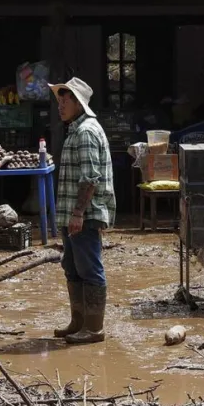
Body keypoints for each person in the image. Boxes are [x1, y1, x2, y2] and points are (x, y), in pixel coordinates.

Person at [48, 77, 116, 345]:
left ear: (79, 103)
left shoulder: (86, 131)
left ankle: (94, 328)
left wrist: (77, 213)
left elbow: (90, 178)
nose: (60, 105)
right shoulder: (75, 130)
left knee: (89, 268)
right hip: (73, 213)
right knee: (72, 266)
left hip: (85, 214)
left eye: (66, 100)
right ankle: (78, 322)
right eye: (60, 100)